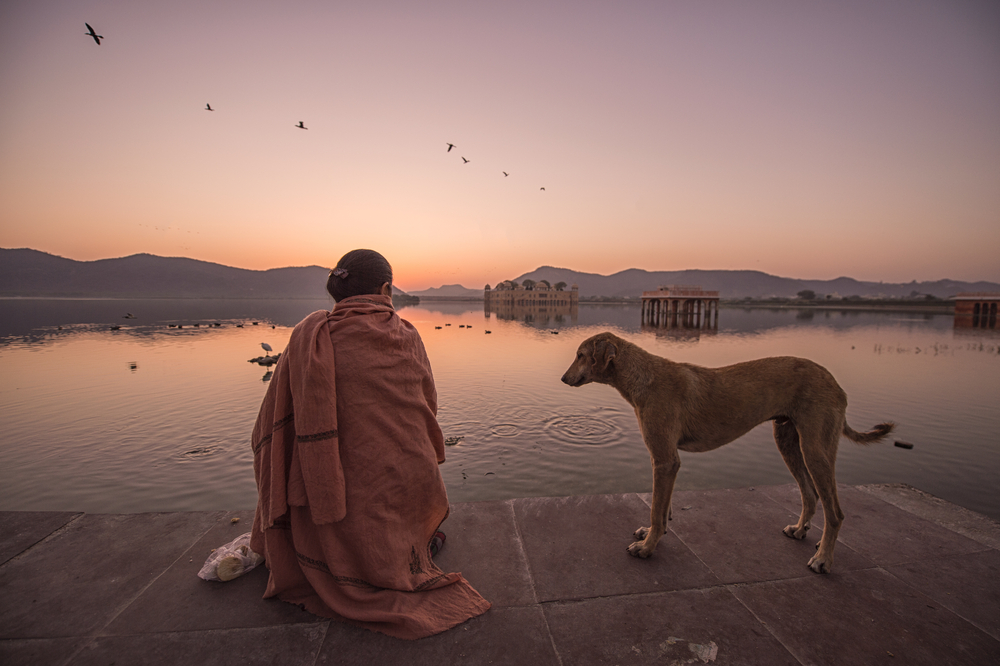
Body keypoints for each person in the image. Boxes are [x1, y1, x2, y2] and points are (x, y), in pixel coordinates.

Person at [249, 249, 490, 639]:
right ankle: (406, 546)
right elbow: (426, 408)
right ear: (385, 289)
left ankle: (326, 549)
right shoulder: (405, 335)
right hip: (401, 485)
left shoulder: (308, 340)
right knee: (405, 457)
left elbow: (273, 426)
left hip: (330, 490)